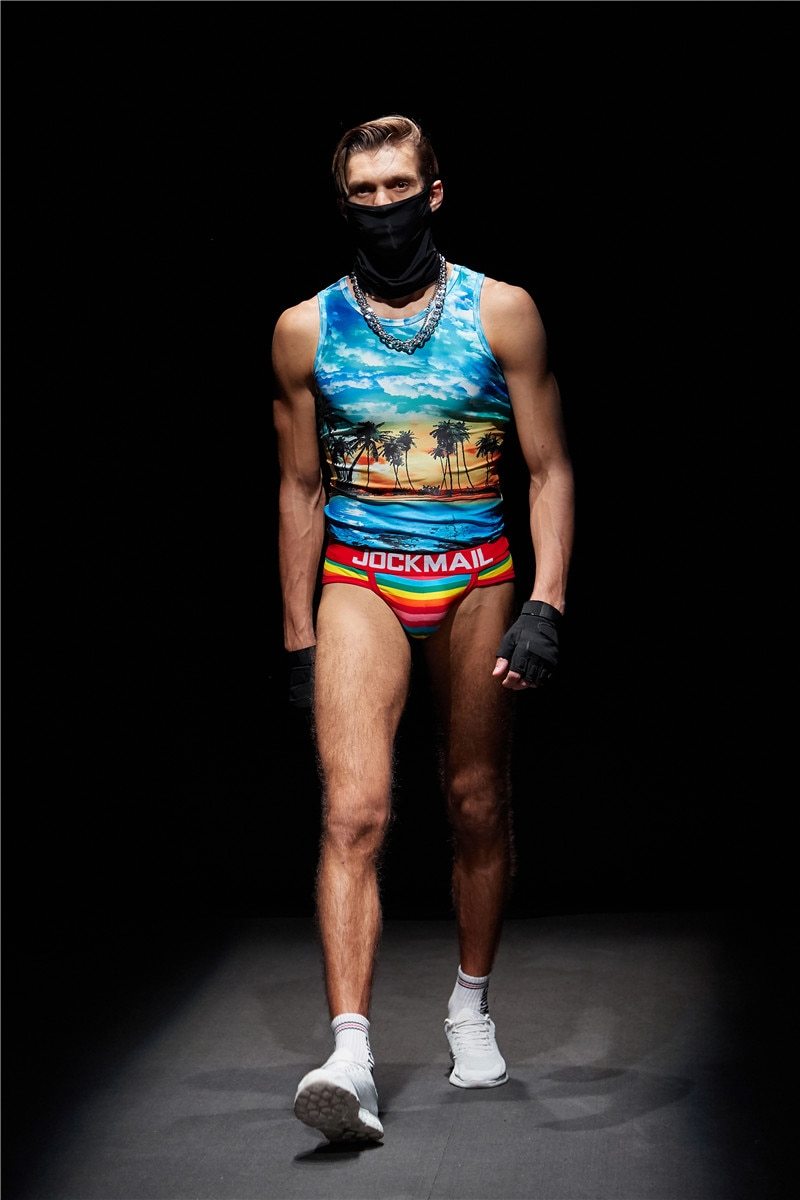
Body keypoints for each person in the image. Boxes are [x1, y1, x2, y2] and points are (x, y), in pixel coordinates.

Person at [272, 114, 574, 1143]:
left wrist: (546, 603)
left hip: (477, 576)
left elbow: (549, 468)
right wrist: (297, 639)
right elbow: (299, 487)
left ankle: (469, 1007)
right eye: (362, 193)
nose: (382, 207)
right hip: (360, 577)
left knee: (475, 800)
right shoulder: (304, 329)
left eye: (398, 187)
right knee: (353, 812)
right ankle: (349, 1057)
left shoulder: (502, 311)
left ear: (432, 193)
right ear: (342, 203)